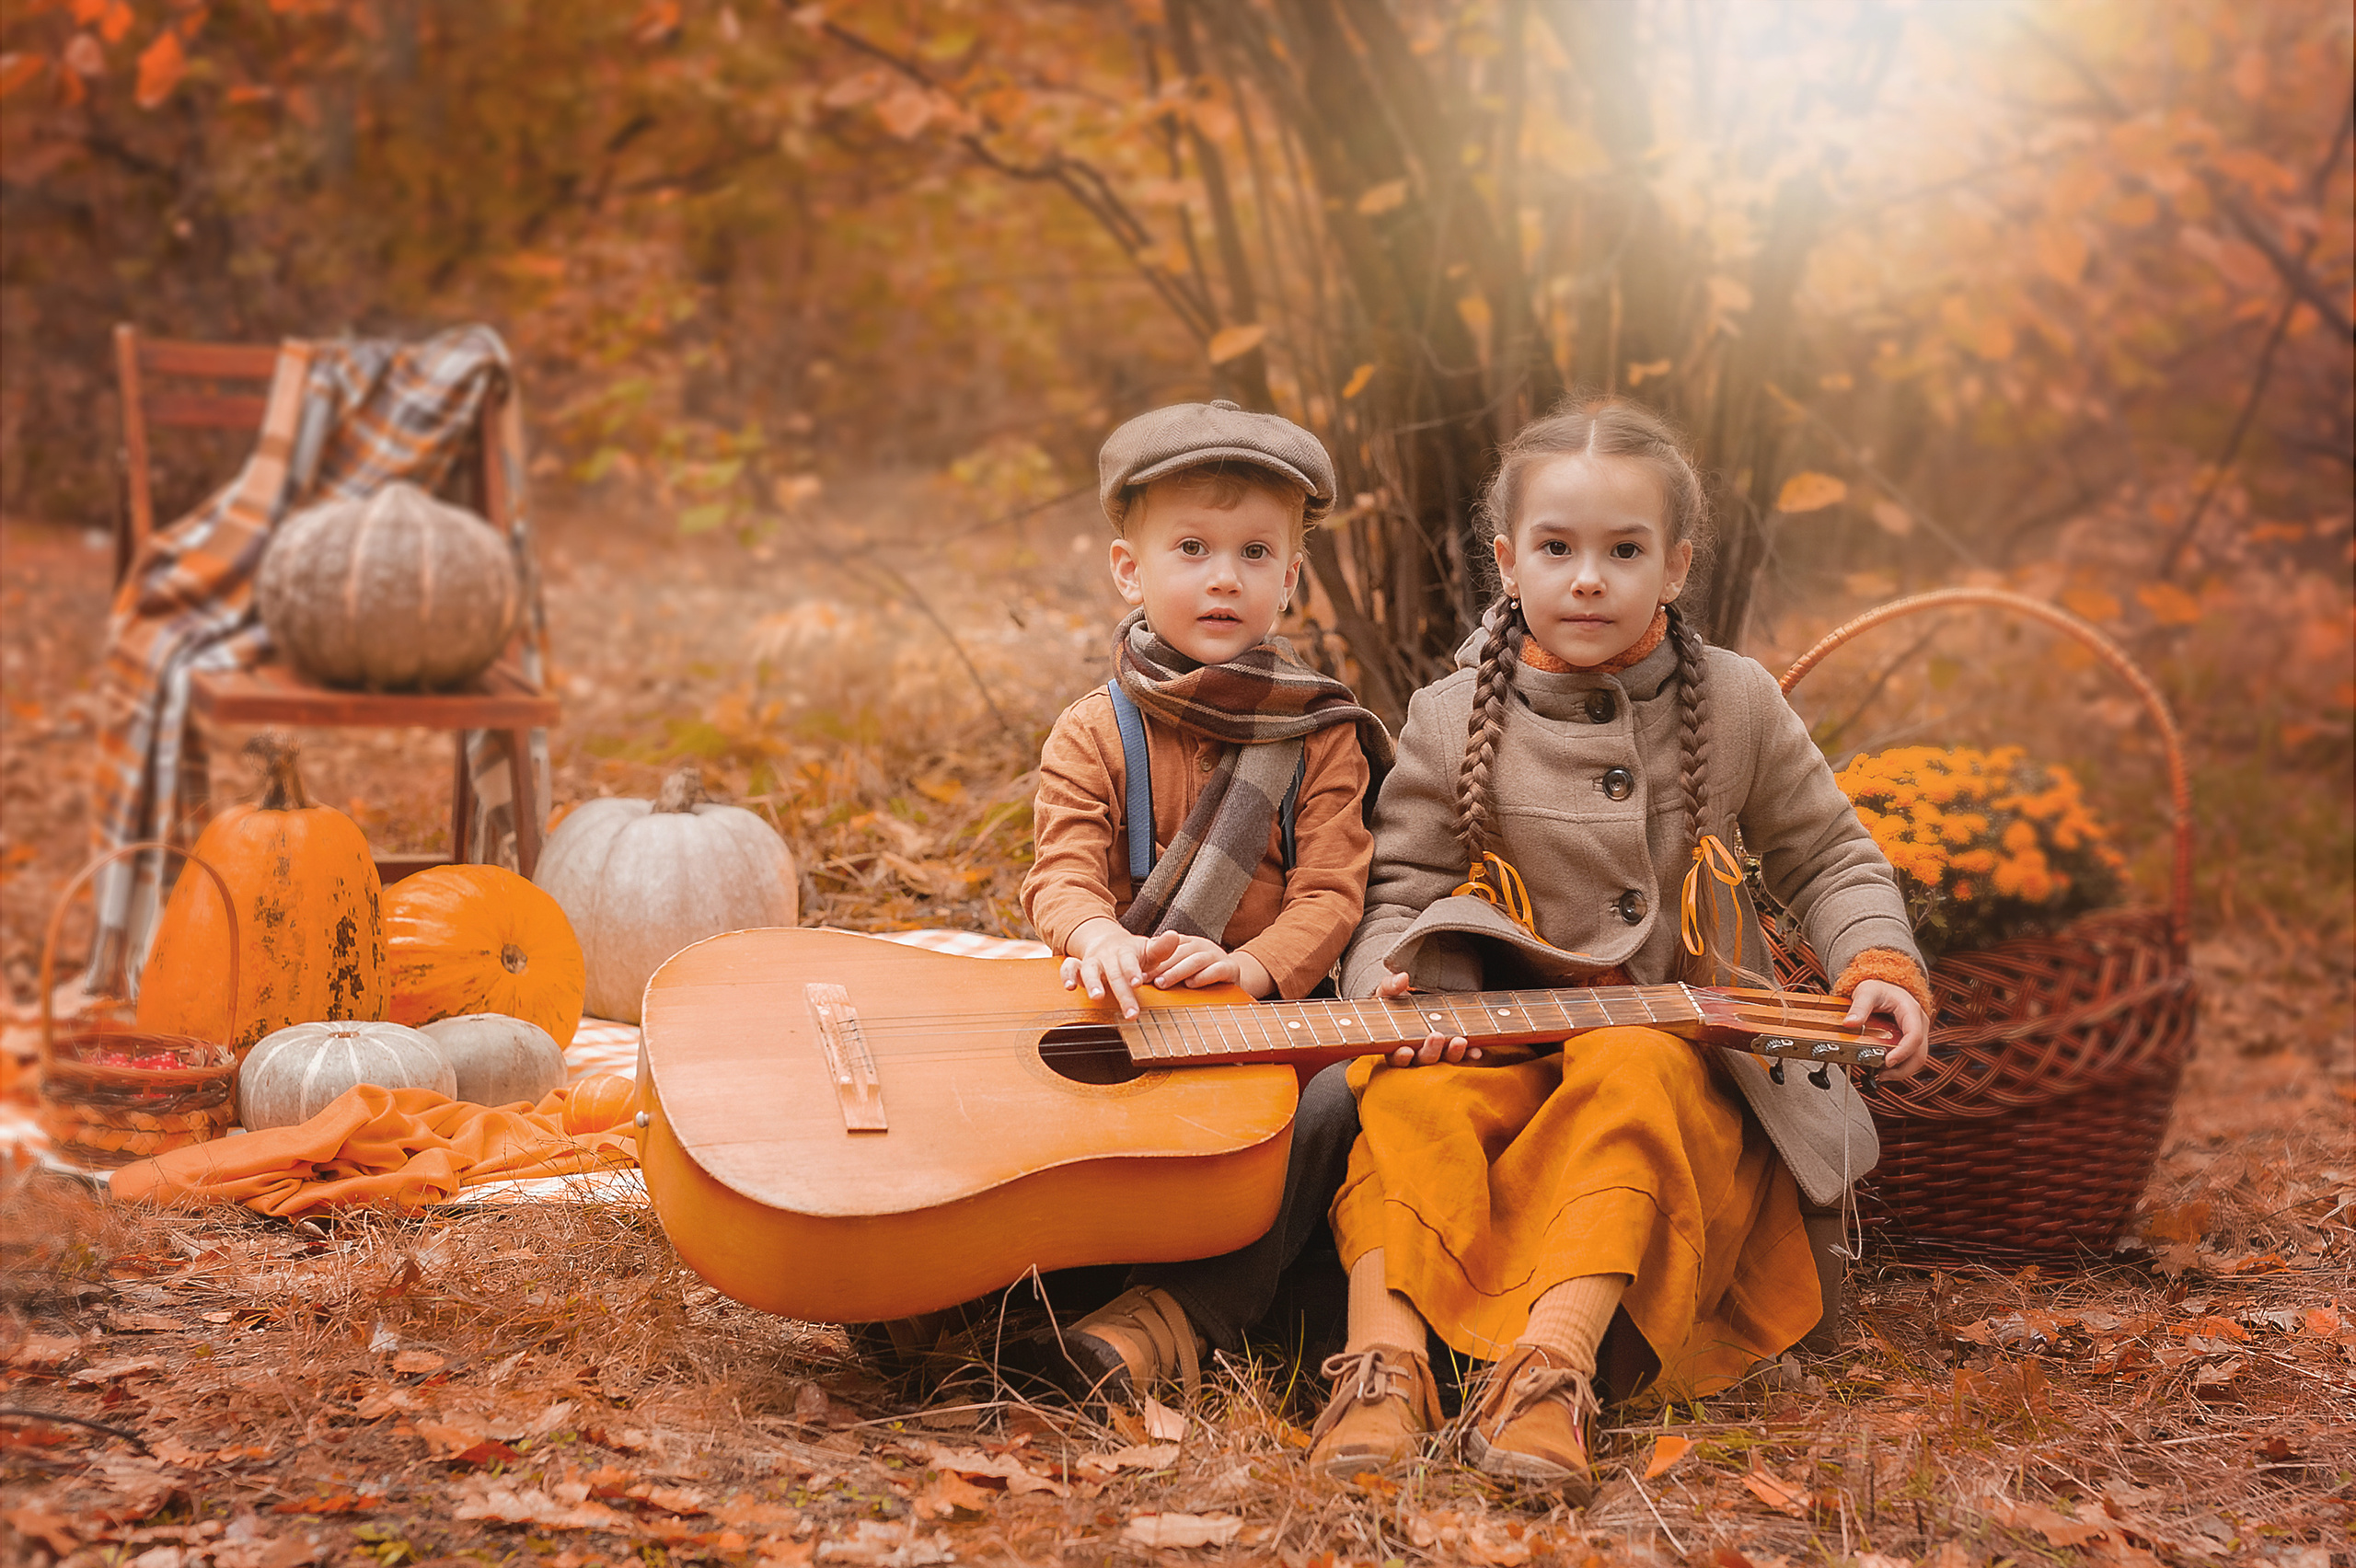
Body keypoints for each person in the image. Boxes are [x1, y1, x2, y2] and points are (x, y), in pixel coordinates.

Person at [1304, 398, 1934, 1498]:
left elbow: (1830, 855)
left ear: (1675, 564)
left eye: (1624, 551)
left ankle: (1552, 1370)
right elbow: (1399, 887)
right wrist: (1393, 988)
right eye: (1556, 549)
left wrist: (1875, 964)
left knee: (1633, 1062)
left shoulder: (1734, 701)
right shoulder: (1449, 716)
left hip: (1681, 1072)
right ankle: (1382, 1369)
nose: (1587, 579)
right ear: (1508, 560)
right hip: (1508, 1046)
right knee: (1404, 1098)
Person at [1021, 398, 1450, 1405]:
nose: (1224, 577)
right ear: (1128, 570)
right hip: (1131, 1011)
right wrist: (1095, 935)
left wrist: (1253, 968)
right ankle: (1013, 1278)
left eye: (1255, 553)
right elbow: (1061, 870)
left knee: (1349, 1096)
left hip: (1264, 1025)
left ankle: (1178, 1318)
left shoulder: (1320, 732)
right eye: (1192, 548)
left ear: (1289, 580)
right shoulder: (1094, 731)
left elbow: (1332, 891)